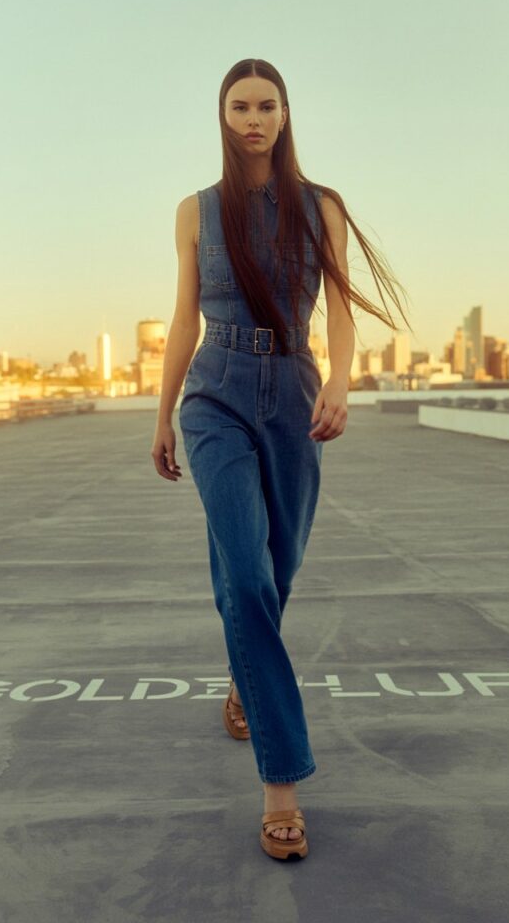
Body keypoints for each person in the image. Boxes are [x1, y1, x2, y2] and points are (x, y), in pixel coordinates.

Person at [151, 58, 412, 860]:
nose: (254, 118)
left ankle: (244, 679)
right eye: (240, 106)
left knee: (280, 569)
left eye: (268, 105)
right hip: (216, 396)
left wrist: (339, 380)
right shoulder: (195, 212)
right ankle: (281, 787)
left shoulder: (319, 206)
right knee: (247, 575)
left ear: (286, 113)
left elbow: (339, 309)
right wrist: (162, 416)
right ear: (223, 116)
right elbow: (183, 322)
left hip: (294, 389)